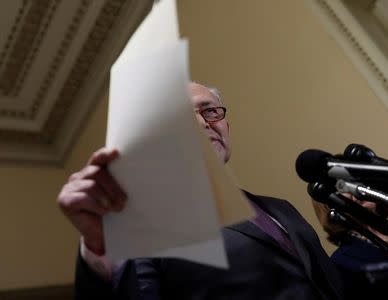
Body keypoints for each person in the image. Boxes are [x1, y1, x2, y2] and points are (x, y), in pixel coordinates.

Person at [58, 82, 345, 300]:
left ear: (226, 127)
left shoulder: (281, 208)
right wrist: (98, 250)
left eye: (210, 110)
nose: (202, 122)